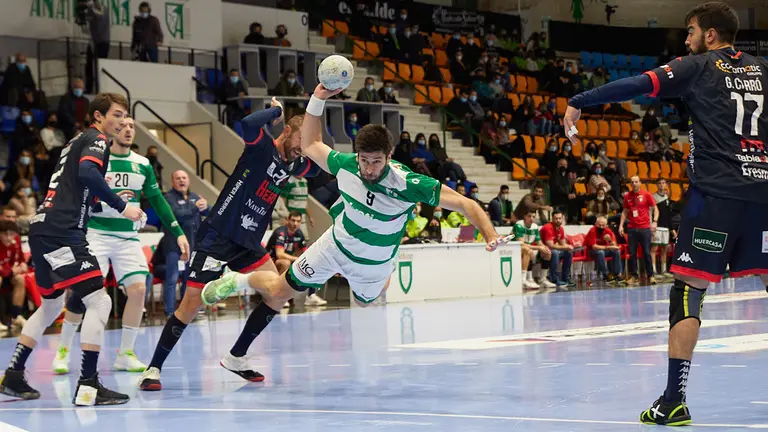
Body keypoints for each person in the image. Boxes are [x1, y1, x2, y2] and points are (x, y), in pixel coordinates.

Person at [199, 84, 501, 382]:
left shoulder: (408, 184)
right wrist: (317, 98)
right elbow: (312, 144)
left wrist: (489, 234)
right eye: (364, 160)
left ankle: (368, 273)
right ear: (357, 155)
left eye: (376, 162)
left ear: (390, 155)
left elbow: (465, 204)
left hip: (372, 263)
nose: (368, 169)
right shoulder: (348, 166)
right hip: (334, 245)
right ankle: (237, 290)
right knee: (279, 291)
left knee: (369, 298)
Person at [562, 2, 768, 425]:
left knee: (689, 290)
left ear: (710, 35)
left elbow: (637, 84)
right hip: (763, 194)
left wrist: (579, 100)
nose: (686, 38)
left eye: (691, 30)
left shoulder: (697, 65)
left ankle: (674, 400)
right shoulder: (763, 69)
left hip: (716, 196)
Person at [138, 98, 319, 391]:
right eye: (300, 140)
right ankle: (153, 368)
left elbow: (317, 167)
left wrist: (315, 135)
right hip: (218, 235)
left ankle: (236, 356)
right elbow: (247, 124)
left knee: (278, 293)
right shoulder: (261, 147)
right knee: (190, 304)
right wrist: (275, 111)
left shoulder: (295, 161)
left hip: (248, 241)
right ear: (286, 130)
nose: (302, 148)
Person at [0, 93, 144, 406]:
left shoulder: (74, 142)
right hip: (62, 232)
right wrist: (123, 207)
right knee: (100, 302)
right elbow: (88, 175)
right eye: (117, 115)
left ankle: (13, 375)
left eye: (125, 116)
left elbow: (79, 187)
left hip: (44, 227)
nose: (122, 121)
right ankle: (88, 385)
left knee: (51, 306)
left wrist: (102, 198)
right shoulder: (97, 139)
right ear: (98, 117)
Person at [51, 116, 190, 375]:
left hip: (128, 238)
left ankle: (125, 353)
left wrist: (178, 232)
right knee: (84, 292)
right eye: (123, 125)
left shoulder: (143, 164)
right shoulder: (96, 160)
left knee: (138, 290)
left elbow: (158, 200)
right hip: (96, 234)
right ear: (112, 129)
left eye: (132, 127)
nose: (128, 130)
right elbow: (83, 197)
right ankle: (63, 351)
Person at [618, 176, 658, 285]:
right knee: (632, 253)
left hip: (644, 228)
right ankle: (634, 276)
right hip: (632, 229)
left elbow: (655, 208)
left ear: (640, 183)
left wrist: (654, 221)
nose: (634, 183)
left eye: (636, 181)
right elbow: (625, 211)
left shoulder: (646, 194)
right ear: (630, 184)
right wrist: (621, 225)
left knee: (646, 252)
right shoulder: (627, 196)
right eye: (632, 182)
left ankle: (651, 276)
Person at [512, 210, 553, 289]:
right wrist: (538, 247)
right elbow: (521, 244)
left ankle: (542, 279)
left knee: (547, 252)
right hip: (514, 249)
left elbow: (539, 242)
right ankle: (524, 280)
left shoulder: (534, 226)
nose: (531, 218)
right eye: (529, 216)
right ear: (524, 216)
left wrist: (544, 247)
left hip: (528, 248)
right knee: (528, 250)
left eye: (533, 217)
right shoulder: (519, 225)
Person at [0, 220, 28, 330]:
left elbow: (21, 262)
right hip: (4, 274)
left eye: (11, 234)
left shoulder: (15, 240)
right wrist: (11, 270)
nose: (8, 237)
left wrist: (20, 267)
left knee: (20, 279)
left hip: (8, 273)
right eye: (5, 234)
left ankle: (16, 316)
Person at [539, 210, 575, 287]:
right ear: (552, 218)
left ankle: (566, 278)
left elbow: (562, 244)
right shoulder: (547, 227)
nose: (558, 220)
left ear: (562, 219)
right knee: (555, 252)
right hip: (541, 251)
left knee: (568, 252)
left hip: (550, 251)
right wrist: (565, 247)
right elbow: (550, 245)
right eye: (556, 218)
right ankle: (554, 279)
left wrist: (568, 247)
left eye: (560, 218)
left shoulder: (560, 229)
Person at [584, 216, 624, 282]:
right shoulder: (592, 230)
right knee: (600, 252)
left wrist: (610, 240)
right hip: (591, 251)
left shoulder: (607, 230)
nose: (601, 227)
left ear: (606, 225)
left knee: (616, 251)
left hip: (604, 250)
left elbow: (614, 244)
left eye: (603, 225)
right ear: (595, 224)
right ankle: (605, 274)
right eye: (599, 225)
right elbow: (594, 247)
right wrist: (608, 247)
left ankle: (618, 274)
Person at [651, 178, 674, 280]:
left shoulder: (667, 198)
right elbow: (651, 213)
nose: (661, 185)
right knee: (654, 249)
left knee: (664, 249)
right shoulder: (653, 197)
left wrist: (672, 229)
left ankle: (664, 270)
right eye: (659, 183)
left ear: (666, 184)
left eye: (663, 183)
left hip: (665, 228)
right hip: (657, 227)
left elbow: (669, 215)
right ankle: (654, 271)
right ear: (657, 185)